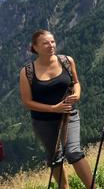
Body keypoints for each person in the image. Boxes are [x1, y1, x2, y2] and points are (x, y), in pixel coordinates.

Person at [19, 30, 93, 188]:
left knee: (73, 152)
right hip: (43, 121)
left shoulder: (66, 61)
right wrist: (54, 108)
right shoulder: (27, 72)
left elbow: (76, 82)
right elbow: (27, 102)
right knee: (54, 157)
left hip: (68, 115)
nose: (51, 45)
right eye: (45, 43)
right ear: (35, 47)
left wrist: (77, 94)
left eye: (52, 41)